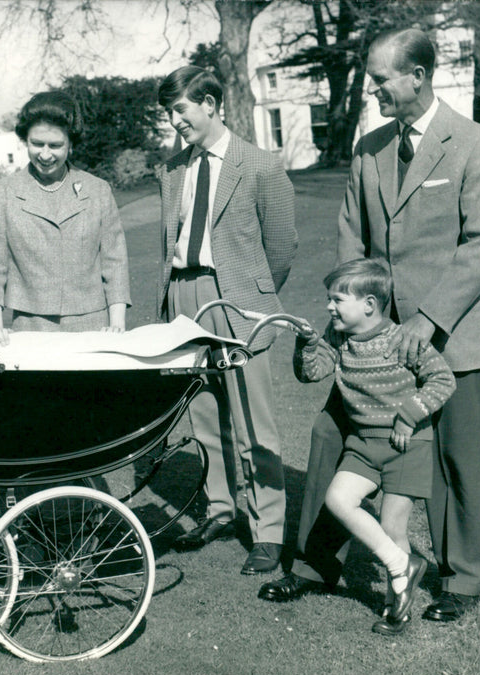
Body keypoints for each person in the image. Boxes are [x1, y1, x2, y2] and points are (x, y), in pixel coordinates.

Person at [259, 28, 480, 623]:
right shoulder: (369, 149)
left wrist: (428, 318)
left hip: (451, 336)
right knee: (332, 437)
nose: (373, 92)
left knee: (455, 458)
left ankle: (462, 578)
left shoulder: (478, 145)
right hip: (370, 337)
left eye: (381, 81)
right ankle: (318, 562)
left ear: (418, 75)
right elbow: (352, 234)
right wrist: (351, 310)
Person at [156, 66, 297, 575]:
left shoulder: (259, 165)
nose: (174, 122)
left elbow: (281, 247)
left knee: (253, 422)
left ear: (212, 104)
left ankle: (269, 530)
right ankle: (220, 508)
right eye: (169, 112)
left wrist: (253, 298)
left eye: (181, 110)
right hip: (185, 295)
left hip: (236, 300)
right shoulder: (173, 168)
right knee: (203, 413)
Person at [293, 259, 456, 635]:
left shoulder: (402, 339)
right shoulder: (338, 338)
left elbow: (443, 380)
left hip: (407, 445)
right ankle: (404, 566)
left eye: (337, 300)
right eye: (329, 300)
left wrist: (409, 414)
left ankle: (395, 608)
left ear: (368, 305)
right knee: (337, 500)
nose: (328, 307)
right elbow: (312, 373)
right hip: (363, 445)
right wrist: (307, 345)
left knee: (391, 526)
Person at [0, 91, 131, 342]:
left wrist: (117, 325)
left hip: (93, 323)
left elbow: (115, 262)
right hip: (29, 325)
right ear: (24, 141)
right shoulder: (3, 193)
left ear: (71, 144)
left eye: (56, 145)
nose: (45, 154)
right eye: (37, 144)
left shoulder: (98, 190)